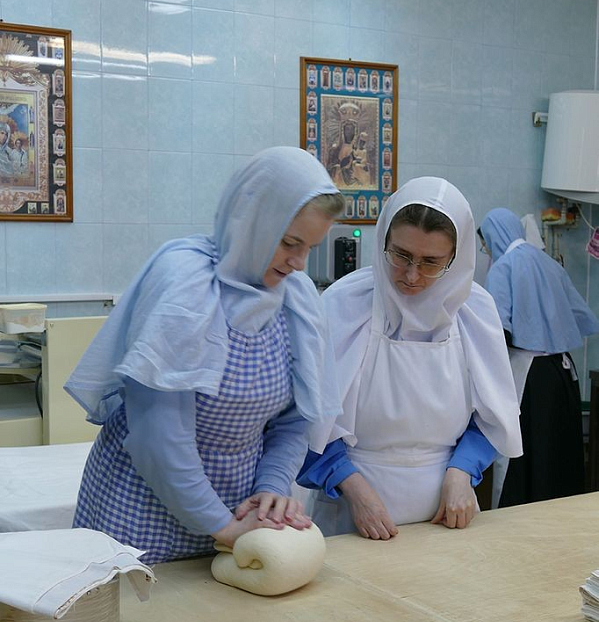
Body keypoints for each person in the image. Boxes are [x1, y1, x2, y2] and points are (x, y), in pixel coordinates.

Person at [65, 147, 344, 564]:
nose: (299, 263)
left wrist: (271, 489)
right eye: (289, 243)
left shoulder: (296, 300)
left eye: (311, 248)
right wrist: (222, 526)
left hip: (238, 516)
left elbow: (293, 421)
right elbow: (160, 437)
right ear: (252, 223)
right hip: (143, 512)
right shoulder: (186, 285)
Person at [298, 177, 522, 539]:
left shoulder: (475, 311)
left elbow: (494, 418)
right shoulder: (342, 304)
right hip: (352, 510)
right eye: (400, 256)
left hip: (446, 514)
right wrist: (352, 486)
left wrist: (462, 470)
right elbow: (305, 420)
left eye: (432, 262)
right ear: (383, 240)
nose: (412, 276)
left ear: (456, 259)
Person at [478, 207, 599, 507]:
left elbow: (497, 331)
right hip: (563, 371)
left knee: (524, 455)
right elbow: (581, 316)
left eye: (485, 244)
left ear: (495, 236)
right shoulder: (550, 264)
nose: (486, 250)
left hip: (529, 374)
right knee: (560, 452)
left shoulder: (504, 267)